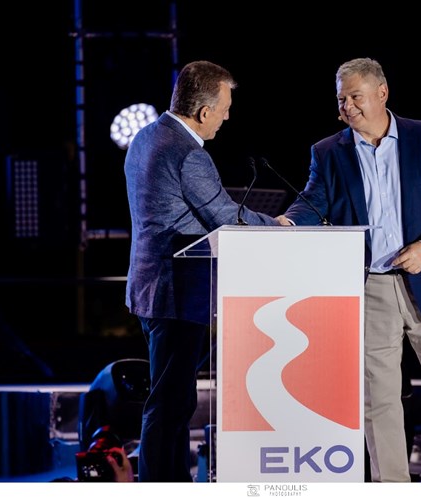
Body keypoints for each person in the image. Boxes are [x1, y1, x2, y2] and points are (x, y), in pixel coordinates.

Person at [277, 57, 421, 482]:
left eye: (355, 97)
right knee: (379, 397)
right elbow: (312, 203)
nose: (347, 107)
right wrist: (288, 223)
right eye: (341, 100)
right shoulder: (328, 152)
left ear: (382, 93)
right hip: (370, 287)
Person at [123, 60, 281, 482]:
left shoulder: (145, 137)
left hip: (149, 288)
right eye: (225, 109)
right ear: (204, 111)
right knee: (170, 404)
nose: (226, 118)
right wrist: (278, 225)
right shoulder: (188, 153)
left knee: (172, 400)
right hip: (177, 292)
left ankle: (173, 481)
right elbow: (225, 217)